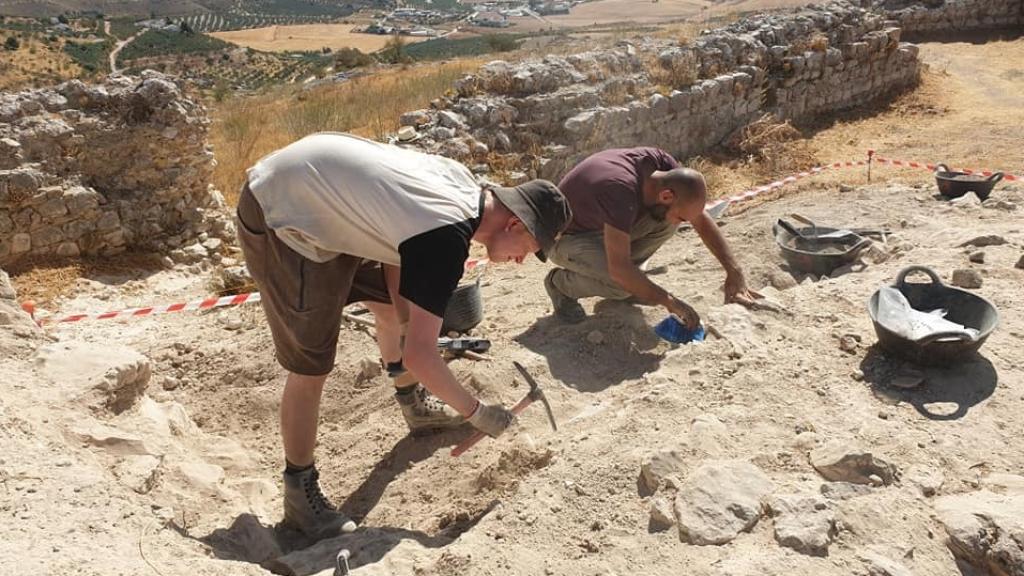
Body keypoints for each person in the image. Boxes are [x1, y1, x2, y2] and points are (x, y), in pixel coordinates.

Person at [236, 132, 572, 538]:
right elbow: (422, 355)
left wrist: (407, 321)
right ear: (515, 222)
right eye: (528, 248)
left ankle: (413, 404)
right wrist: (477, 412)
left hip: (323, 197)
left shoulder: (466, 188)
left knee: (394, 314)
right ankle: (299, 495)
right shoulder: (447, 236)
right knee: (312, 366)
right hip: (284, 215)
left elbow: (398, 259)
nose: (521, 260)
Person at [544, 147, 761, 326]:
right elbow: (620, 269)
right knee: (620, 283)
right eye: (681, 217)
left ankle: (633, 283)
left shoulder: (663, 167)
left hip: (602, 226)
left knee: (667, 223)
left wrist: (734, 271)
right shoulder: (620, 191)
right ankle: (559, 284)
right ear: (666, 196)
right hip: (564, 238)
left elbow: (699, 218)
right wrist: (669, 301)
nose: (681, 222)